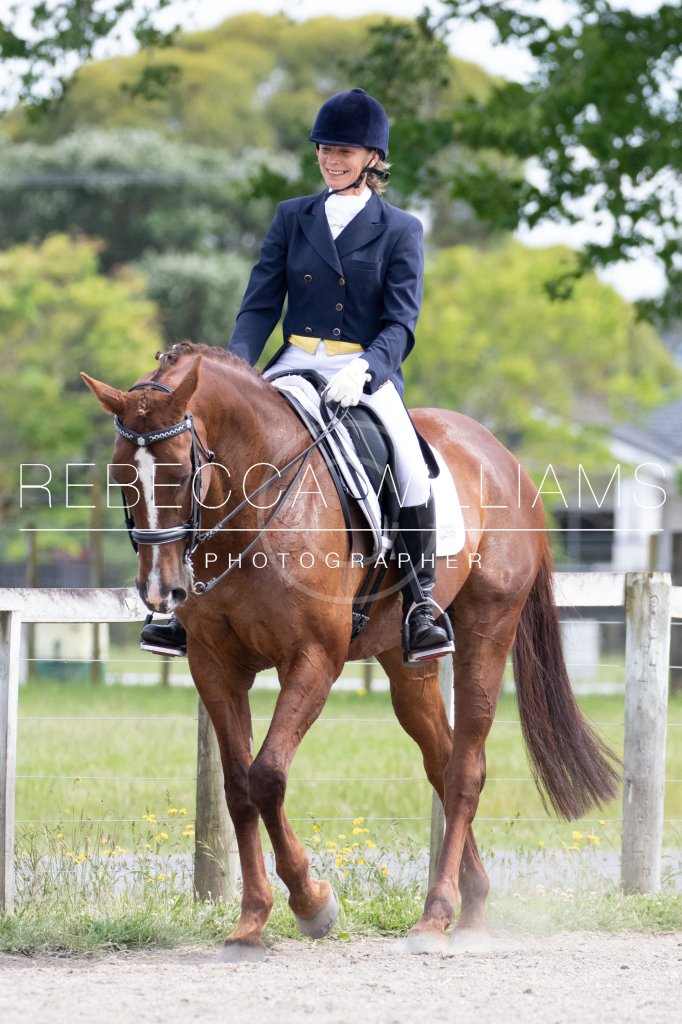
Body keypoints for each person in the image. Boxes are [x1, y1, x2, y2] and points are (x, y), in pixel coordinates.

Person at [141, 88, 453, 663]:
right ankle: (183, 606)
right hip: (293, 362)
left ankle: (421, 603)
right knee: (214, 454)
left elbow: (401, 323)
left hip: (362, 368)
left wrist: (366, 368)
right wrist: (233, 369)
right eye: (324, 149)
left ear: (372, 158)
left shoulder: (400, 229)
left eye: (344, 151)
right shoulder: (293, 216)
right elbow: (261, 304)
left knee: (410, 463)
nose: (331, 159)